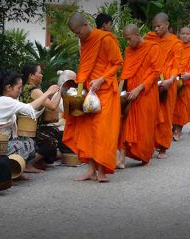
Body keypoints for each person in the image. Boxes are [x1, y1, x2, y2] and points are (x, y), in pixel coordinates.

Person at [63, 13, 123, 182]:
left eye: (78, 32)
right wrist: (80, 87)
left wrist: (102, 79)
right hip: (88, 90)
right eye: (75, 34)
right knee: (86, 130)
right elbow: (85, 64)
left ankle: (102, 170)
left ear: (85, 25)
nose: (77, 36)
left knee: (103, 132)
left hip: (105, 90)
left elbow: (118, 63)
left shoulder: (105, 39)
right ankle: (91, 169)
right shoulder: (84, 41)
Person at [0, 71, 60, 173]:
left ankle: (20, 168)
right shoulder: (4, 101)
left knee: (29, 141)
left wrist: (43, 103)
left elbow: (29, 112)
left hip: (4, 141)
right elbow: (28, 108)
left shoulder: (9, 100)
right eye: (19, 88)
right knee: (26, 144)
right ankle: (19, 167)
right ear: (9, 88)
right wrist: (48, 92)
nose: (20, 91)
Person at [117, 24, 162, 168]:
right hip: (131, 94)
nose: (128, 42)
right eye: (126, 40)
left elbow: (155, 73)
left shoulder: (153, 48)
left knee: (145, 126)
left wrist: (139, 88)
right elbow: (126, 72)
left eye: (129, 39)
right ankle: (121, 159)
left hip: (146, 93)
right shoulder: (129, 50)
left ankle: (144, 154)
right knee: (126, 124)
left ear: (137, 34)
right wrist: (119, 91)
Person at [144, 12, 183, 159]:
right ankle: (149, 143)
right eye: (154, 26)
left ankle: (162, 147)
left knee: (165, 116)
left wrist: (171, 79)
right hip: (152, 80)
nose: (156, 29)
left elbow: (177, 64)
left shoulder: (175, 43)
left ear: (167, 25)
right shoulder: (150, 39)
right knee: (150, 113)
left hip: (167, 83)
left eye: (159, 26)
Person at [20, 63, 62, 170]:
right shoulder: (36, 91)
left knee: (54, 130)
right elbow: (52, 106)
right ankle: (29, 164)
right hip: (32, 128)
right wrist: (61, 91)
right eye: (39, 72)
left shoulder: (23, 88)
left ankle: (41, 161)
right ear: (31, 76)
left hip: (23, 126)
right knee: (52, 141)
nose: (42, 75)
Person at [172, 27, 190, 141]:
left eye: (187, 34)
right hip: (174, 79)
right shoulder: (175, 46)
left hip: (187, 82)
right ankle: (172, 129)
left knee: (182, 108)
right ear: (179, 34)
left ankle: (178, 131)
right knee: (173, 107)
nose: (185, 36)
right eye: (182, 33)